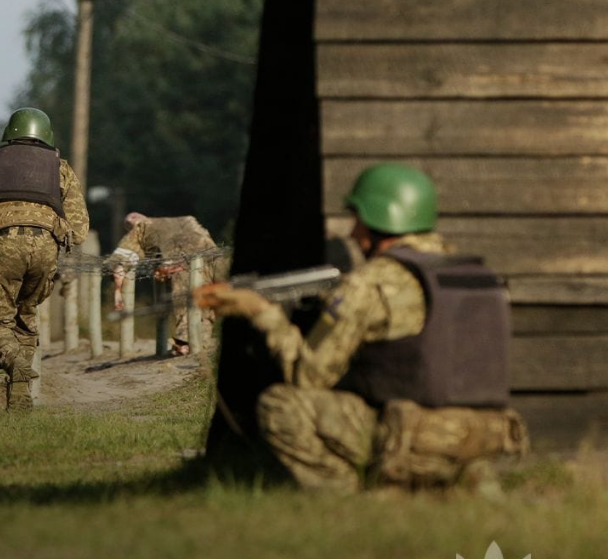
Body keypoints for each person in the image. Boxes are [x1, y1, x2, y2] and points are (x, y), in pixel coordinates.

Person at [194, 162, 528, 493]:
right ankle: (449, 484)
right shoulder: (472, 275)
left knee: (281, 403)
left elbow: (308, 375)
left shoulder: (369, 284)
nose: (353, 233)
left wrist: (263, 312)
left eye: (358, 220)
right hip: (488, 437)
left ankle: (349, 497)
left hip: (416, 436)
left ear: (377, 220)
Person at [0, 108, 89, 409]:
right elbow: (80, 229)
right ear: (45, 134)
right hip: (46, 248)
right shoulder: (61, 167)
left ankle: (14, 361)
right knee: (26, 317)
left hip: (4, 246)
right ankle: (20, 396)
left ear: (10, 131)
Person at [109, 213, 222, 355]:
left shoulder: (144, 227)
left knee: (190, 302)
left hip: (182, 263)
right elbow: (125, 254)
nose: (132, 218)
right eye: (129, 220)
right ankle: (194, 344)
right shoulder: (185, 219)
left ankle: (188, 343)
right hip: (207, 258)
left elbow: (123, 255)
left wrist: (117, 286)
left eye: (132, 217)